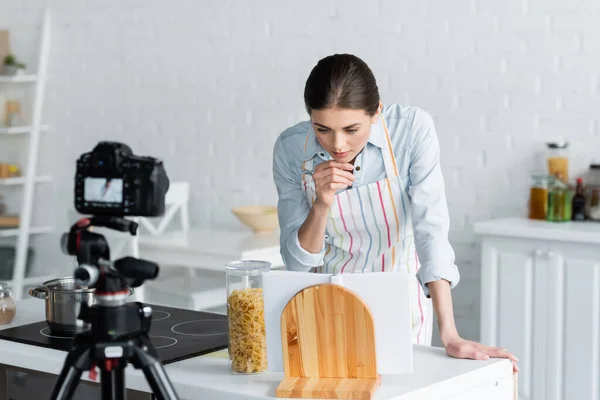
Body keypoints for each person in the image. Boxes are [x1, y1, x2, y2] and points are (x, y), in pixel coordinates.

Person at [272, 53, 518, 371]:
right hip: (325, 305)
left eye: (351, 128)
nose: (338, 144)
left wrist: (451, 334)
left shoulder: (411, 131)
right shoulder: (292, 149)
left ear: (377, 112)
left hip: (401, 308)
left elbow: (431, 229)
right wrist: (321, 203)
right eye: (323, 129)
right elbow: (296, 261)